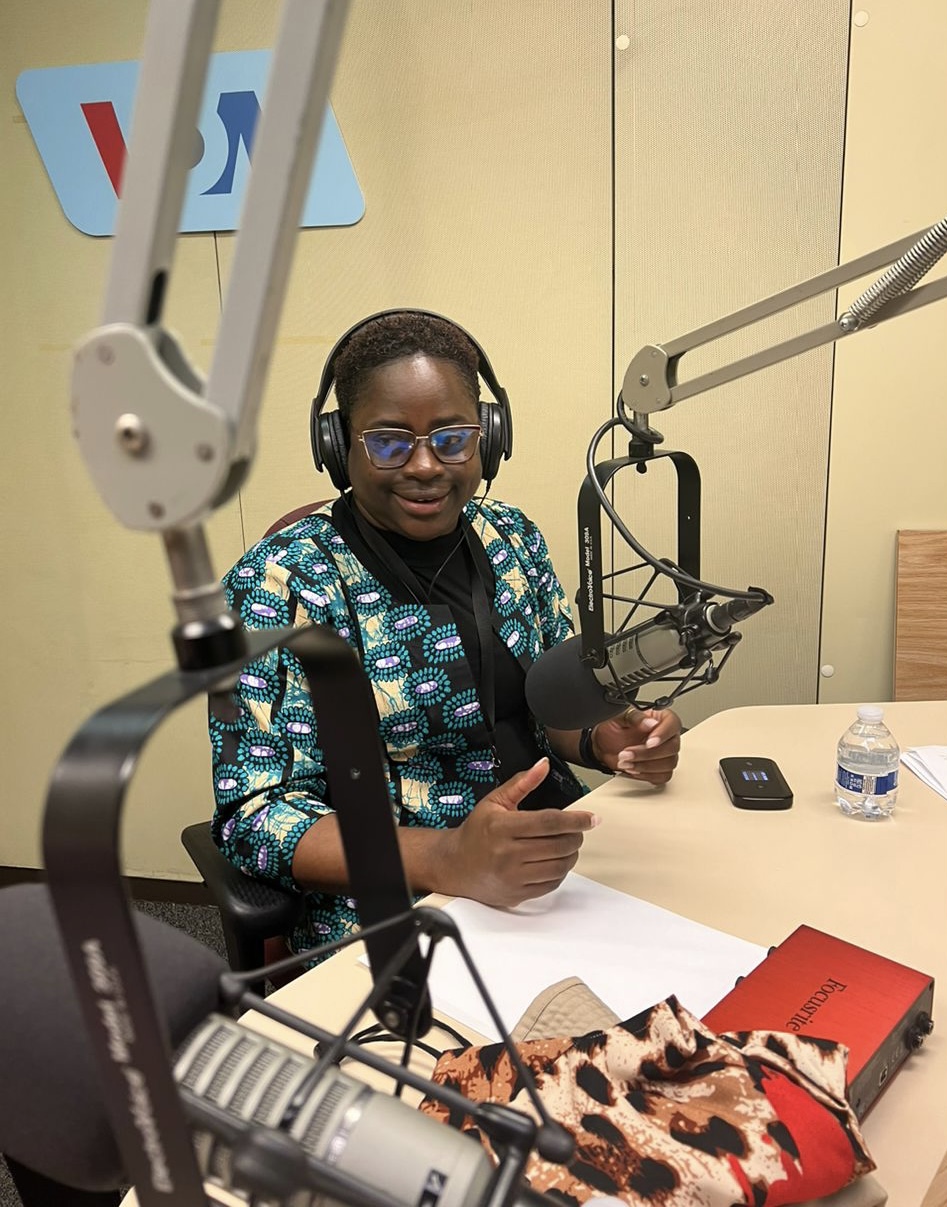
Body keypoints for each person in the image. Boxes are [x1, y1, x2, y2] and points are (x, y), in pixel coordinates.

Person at [208, 311, 681, 964]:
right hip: (399, 902)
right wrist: (444, 856)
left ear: (487, 437)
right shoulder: (279, 585)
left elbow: (547, 707)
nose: (426, 466)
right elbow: (252, 818)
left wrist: (607, 740)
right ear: (337, 445)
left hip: (560, 863)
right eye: (389, 442)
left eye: (451, 438)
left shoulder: (512, 537)